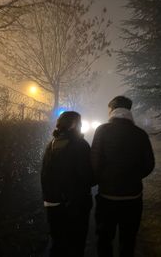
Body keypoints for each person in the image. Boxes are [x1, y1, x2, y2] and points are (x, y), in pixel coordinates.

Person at [91, 96, 155, 257]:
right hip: (133, 198)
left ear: (112, 111)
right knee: (128, 240)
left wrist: (103, 179)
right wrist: (134, 176)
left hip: (107, 197)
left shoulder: (102, 131)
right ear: (128, 111)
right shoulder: (140, 133)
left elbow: (95, 163)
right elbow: (149, 164)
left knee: (105, 240)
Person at [41, 111, 93, 257]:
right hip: (75, 205)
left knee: (57, 244)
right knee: (76, 243)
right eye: (80, 123)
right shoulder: (80, 145)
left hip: (52, 203)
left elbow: (44, 175)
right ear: (74, 125)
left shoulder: (50, 145)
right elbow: (87, 176)